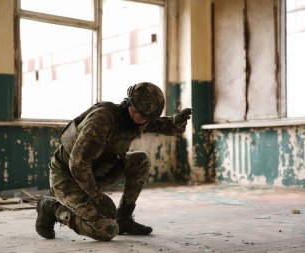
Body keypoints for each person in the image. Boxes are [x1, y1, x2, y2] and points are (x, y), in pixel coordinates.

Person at [35, 82, 192, 241]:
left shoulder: (140, 118)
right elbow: (78, 165)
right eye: (135, 111)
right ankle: (51, 209)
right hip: (67, 177)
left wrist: (175, 124)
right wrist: (98, 197)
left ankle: (124, 218)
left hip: (96, 173)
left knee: (140, 161)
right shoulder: (102, 120)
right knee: (106, 230)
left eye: (144, 116)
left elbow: (161, 125)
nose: (138, 117)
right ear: (128, 102)